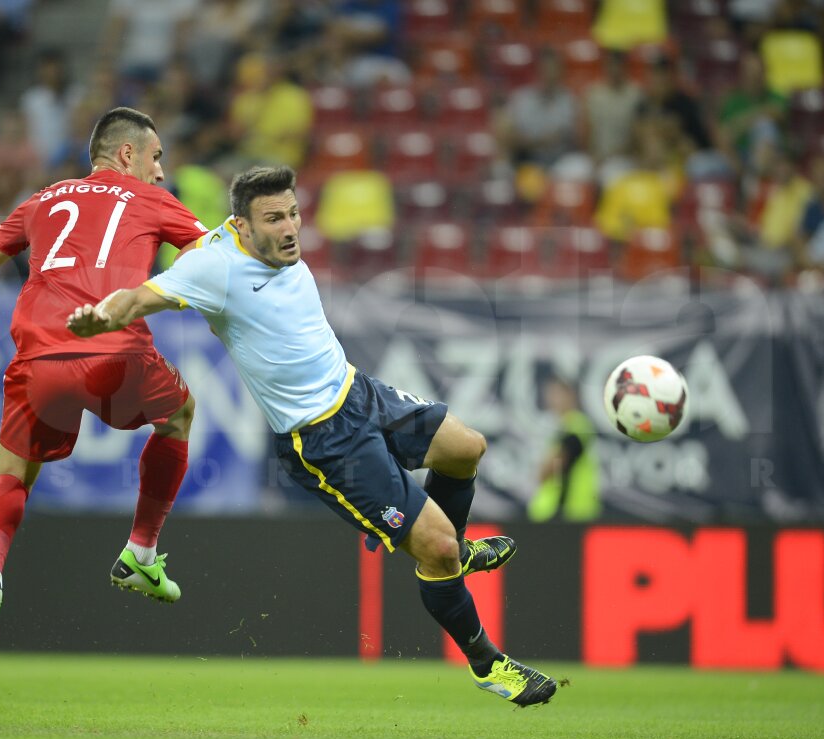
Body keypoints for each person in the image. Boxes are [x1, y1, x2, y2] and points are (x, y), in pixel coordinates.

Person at [67, 166, 557, 707]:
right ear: (242, 225)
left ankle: (455, 552)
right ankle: (488, 664)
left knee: (467, 447)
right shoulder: (212, 267)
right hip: (323, 441)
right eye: (273, 219)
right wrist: (98, 317)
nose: (290, 228)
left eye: (294, 214)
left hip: (358, 391)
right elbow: (137, 299)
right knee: (436, 549)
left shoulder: (268, 244)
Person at [0, 107, 208, 668]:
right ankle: (141, 551)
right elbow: (207, 259)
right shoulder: (151, 199)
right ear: (127, 154)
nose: (161, 171)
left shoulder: (45, 199)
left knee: (12, 475)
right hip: (113, 349)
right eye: (156, 156)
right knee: (181, 414)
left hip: (39, 358)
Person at [528, 376, 601, 522]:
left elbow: (553, 465)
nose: (553, 400)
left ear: (571, 396)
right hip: (560, 511)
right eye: (551, 394)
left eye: (558, 394)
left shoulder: (577, 426)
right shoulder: (562, 426)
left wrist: (543, 469)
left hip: (569, 511)